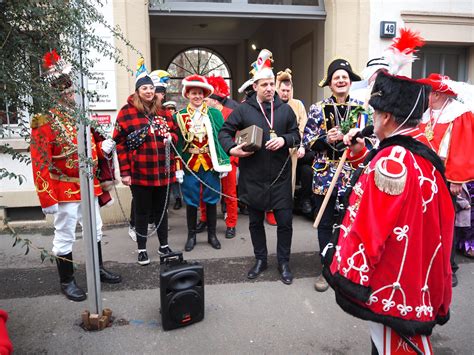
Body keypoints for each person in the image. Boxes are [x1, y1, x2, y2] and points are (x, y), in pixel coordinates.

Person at [323, 71, 454, 354]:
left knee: (396, 344)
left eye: (374, 113)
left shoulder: (393, 159)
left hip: (393, 276)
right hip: (418, 265)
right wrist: (361, 153)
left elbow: (372, 226)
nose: (372, 119)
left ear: (386, 118)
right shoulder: (419, 149)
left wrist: (351, 278)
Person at [30, 50, 121, 302]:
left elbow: (91, 146)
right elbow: (40, 163)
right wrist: (47, 198)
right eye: (66, 91)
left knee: (97, 229)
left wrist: (103, 151)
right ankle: (67, 281)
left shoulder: (81, 117)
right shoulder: (44, 122)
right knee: (65, 234)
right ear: (55, 93)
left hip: (89, 186)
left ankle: (97, 268)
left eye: (72, 91)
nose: (71, 95)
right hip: (64, 189)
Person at [219, 49, 300, 285]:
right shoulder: (243, 110)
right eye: (264, 84)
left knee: (285, 223)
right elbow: (224, 133)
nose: (269, 88)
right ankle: (260, 260)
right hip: (253, 178)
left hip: (280, 178)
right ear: (255, 87)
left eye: (271, 83)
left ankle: (284, 263)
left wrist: (285, 140)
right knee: (255, 223)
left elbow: (297, 135)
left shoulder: (285, 110)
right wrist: (231, 149)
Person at [299, 58, 363, 292]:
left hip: (352, 175)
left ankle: (346, 270)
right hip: (325, 175)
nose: (341, 80)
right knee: (325, 223)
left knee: (350, 223)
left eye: (344, 76)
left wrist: (357, 139)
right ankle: (326, 269)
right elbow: (307, 141)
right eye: (336, 77)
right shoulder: (317, 109)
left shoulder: (361, 108)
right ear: (330, 83)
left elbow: (372, 141)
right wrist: (327, 139)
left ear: (350, 81)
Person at [113, 59, 178, 265]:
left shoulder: (163, 111)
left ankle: (164, 246)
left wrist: (171, 139)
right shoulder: (126, 112)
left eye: (151, 88)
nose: (149, 91)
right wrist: (124, 173)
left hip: (163, 171)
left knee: (162, 211)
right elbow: (120, 143)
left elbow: (176, 134)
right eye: (145, 88)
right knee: (141, 212)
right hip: (140, 172)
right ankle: (142, 249)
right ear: (138, 91)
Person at [417, 73, 474, 287]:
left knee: (445, 225)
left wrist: (456, 179)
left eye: (428, 91)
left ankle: (449, 268)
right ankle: (427, 266)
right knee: (425, 224)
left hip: (446, 178)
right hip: (424, 176)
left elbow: (464, 147)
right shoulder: (426, 113)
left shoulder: (459, 113)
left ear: (438, 94)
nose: (425, 95)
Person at [174, 74, 232, 252]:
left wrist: (224, 163)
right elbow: (178, 145)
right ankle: (191, 236)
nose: (197, 96)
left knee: (211, 199)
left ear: (205, 94)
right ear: (188, 94)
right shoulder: (180, 116)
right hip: (190, 165)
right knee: (191, 200)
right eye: (193, 93)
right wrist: (178, 168)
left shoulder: (214, 113)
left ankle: (212, 235)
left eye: (200, 93)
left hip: (210, 164)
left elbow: (222, 139)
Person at [194, 75, 239, 239]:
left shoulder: (231, 113)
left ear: (214, 99)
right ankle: (204, 218)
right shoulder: (203, 113)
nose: (203, 100)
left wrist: (234, 157)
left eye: (206, 98)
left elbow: (239, 136)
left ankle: (231, 223)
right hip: (207, 159)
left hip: (228, 159)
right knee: (203, 191)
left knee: (230, 193)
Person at [276, 68, 308, 211]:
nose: (285, 93)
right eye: (283, 90)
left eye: (288, 90)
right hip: (275, 147)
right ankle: (272, 208)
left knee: (291, 177)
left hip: (293, 148)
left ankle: (287, 205)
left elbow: (305, 127)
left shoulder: (298, 105)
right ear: (278, 89)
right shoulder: (271, 105)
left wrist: (302, 146)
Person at [163, 101, 183, 210]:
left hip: (176, 153)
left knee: (176, 178)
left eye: (172, 109)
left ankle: (178, 199)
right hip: (164, 155)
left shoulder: (177, 120)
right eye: (168, 109)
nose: (170, 111)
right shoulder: (161, 120)